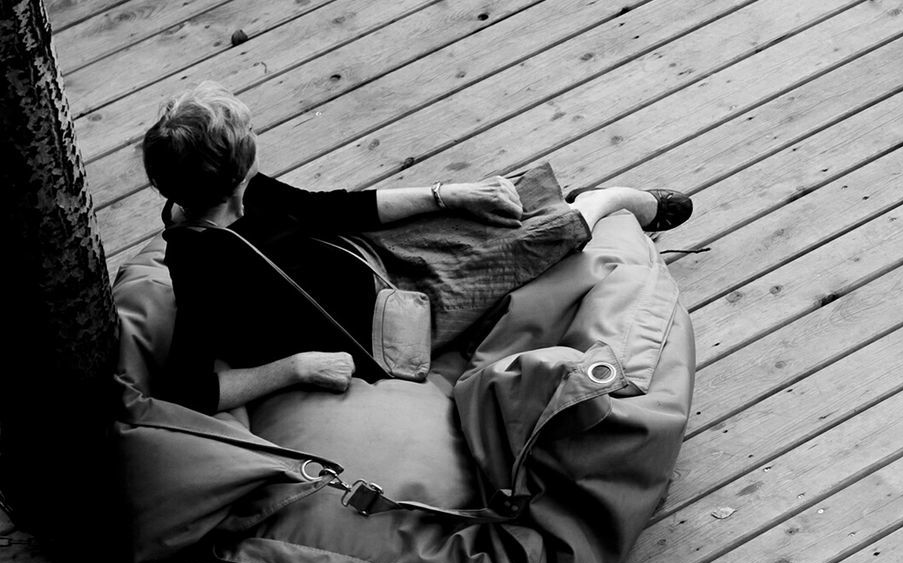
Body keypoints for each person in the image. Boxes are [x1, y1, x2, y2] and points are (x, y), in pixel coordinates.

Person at [144, 81, 692, 414]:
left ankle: (563, 205)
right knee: (543, 240)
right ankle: (605, 202)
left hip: (367, 255)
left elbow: (327, 209)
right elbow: (187, 390)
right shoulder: (202, 263)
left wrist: (447, 194)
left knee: (504, 203)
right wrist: (296, 369)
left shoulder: (241, 191)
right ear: (238, 170)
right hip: (395, 322)